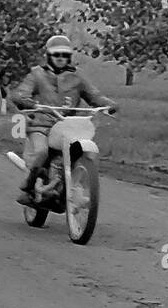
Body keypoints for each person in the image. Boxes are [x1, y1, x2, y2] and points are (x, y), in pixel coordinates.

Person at [11, 34, 113, 205]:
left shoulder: (78, 76)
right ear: (49, 56)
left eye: (65, 55)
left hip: (67, 126)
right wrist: (28, 102)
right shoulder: (37, 74)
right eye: (57, 54)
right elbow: (21, 93)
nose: (61, 58)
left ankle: (72, 182)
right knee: (42, 151)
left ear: (70, 57)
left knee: (82, 151)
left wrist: (108, 104)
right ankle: (29, 186)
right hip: (41, 125)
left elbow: (94, 95)